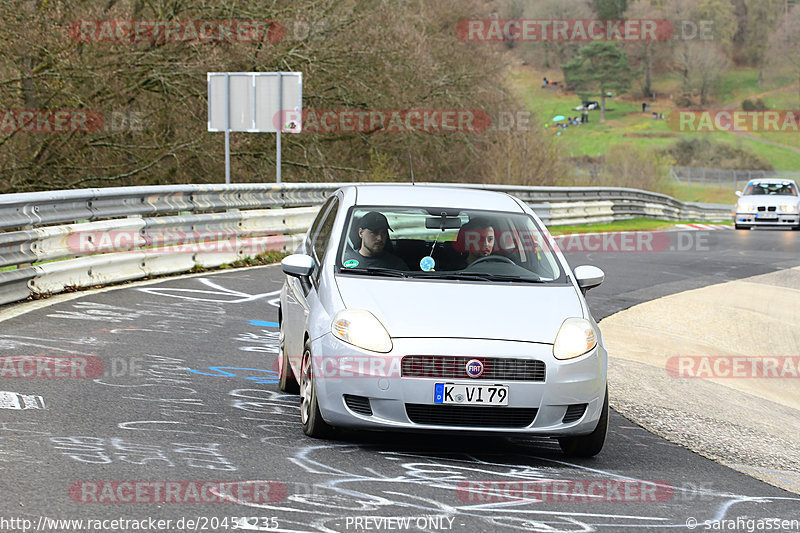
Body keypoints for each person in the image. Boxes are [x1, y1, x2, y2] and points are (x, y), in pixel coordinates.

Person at [343, 211, 408, 270]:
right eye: (374, 232)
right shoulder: (343, 261)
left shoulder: (396, 265)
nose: (380, 238)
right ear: (361, 233)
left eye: (384, 233)